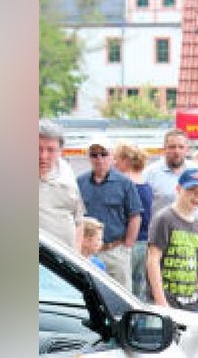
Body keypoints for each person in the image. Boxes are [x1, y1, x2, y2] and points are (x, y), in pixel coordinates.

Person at [77, 134, 143, 290]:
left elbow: (135, 216)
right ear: (89, 157)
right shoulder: (79, 182)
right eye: (94, 154)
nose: (99, 158)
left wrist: (127, 246)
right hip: (86, 253)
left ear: (112, 156)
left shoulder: (125, 183)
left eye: (103, 154)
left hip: (115, 251)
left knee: (121, 299)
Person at [146, 167, 198, 312]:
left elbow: (197, 261)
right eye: (191, 190)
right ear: (178, 189)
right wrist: (161, 302)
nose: (197, 196)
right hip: (166, 302)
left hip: (192, 303)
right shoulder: (164, 218)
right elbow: (153, 259)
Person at [113, 141, 155, 302]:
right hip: (144, 243)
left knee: (124, 291)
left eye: (116, 159)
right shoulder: (145, 184)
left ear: (126, 160)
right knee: (139, 291)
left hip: (128, 243)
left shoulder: (125, 184)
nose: (114, 163)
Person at [38, 120, 85, 249]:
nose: (43, 156)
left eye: (50, 150)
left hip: (63, 262)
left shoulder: (67, 175)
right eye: (38, 149)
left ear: (60, 151)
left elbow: (79, 221)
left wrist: (77, 257)